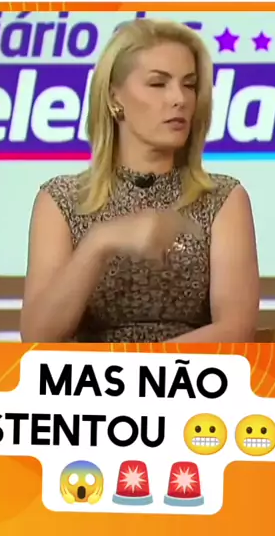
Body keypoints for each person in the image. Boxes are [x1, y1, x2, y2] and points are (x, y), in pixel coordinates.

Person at [21, 18, 259, 343]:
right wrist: (99, 243)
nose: (179, 99)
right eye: (158, 84)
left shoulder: (223, 198)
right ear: (114, 98)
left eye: (189, 85)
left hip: (193, 371)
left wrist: (140, 367)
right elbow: (38, 337)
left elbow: (235, 329)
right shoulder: (62, 199)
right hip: (89, 374)